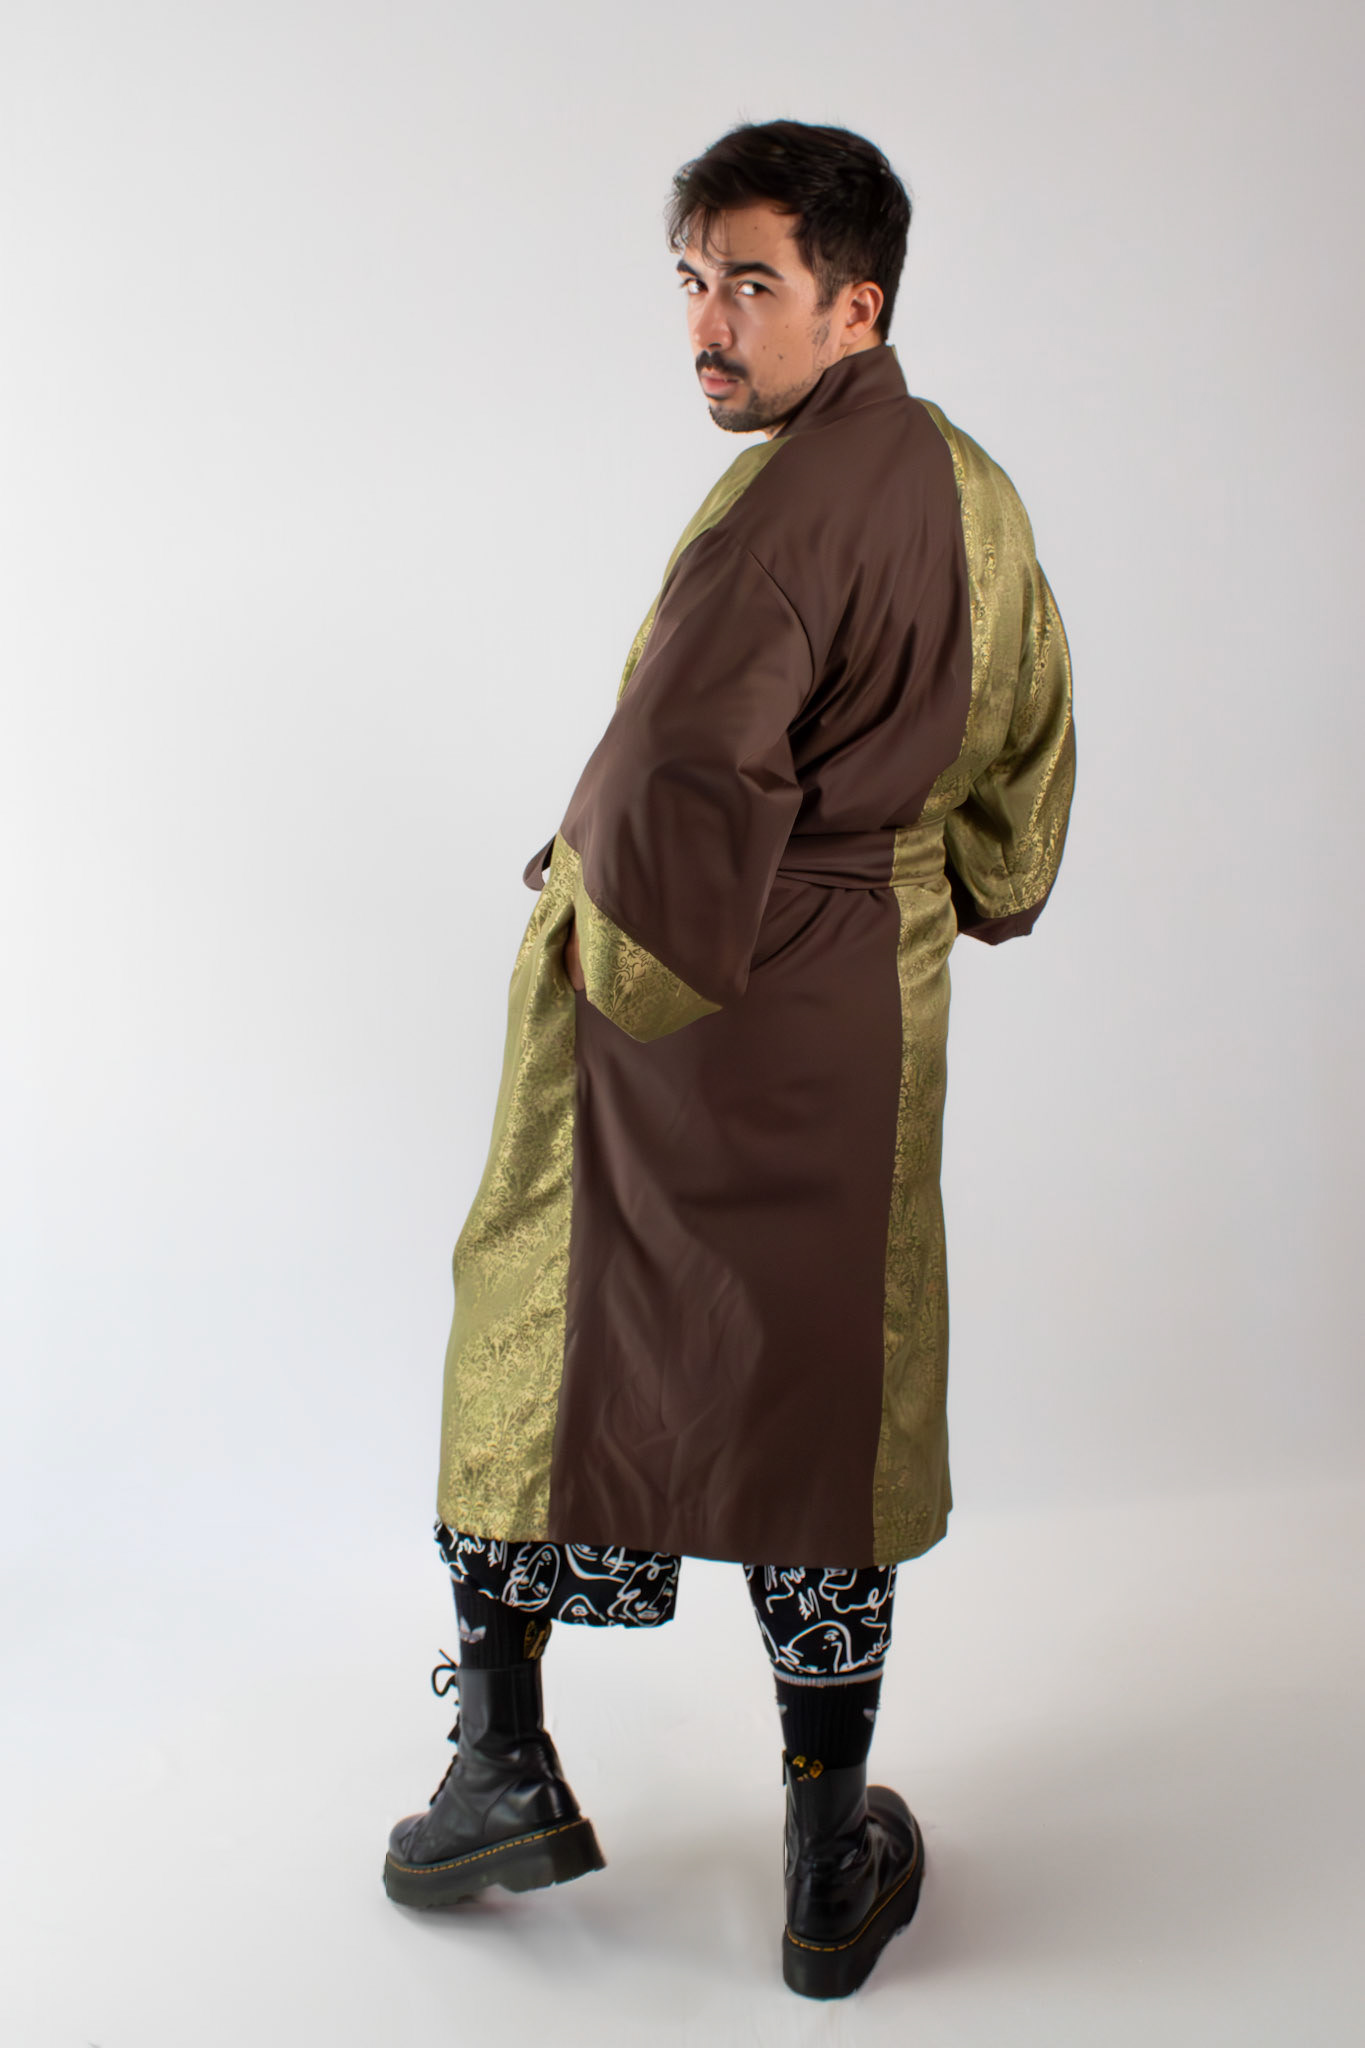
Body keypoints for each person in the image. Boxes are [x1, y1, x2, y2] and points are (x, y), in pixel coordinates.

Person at [383, 118, 1076, 2000]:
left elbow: (665, 780)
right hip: (871, 1023)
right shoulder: (971, 488)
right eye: (692, 281)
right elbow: (1023, 753)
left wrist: (604, 954)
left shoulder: (779, 519)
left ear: (857, 304)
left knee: (538, 1320)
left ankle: (500, 1762)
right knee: (823, 1402)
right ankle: (827, 1860)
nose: (707, 323)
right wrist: (957, 885)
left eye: (752, 285)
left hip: (688, 1007)